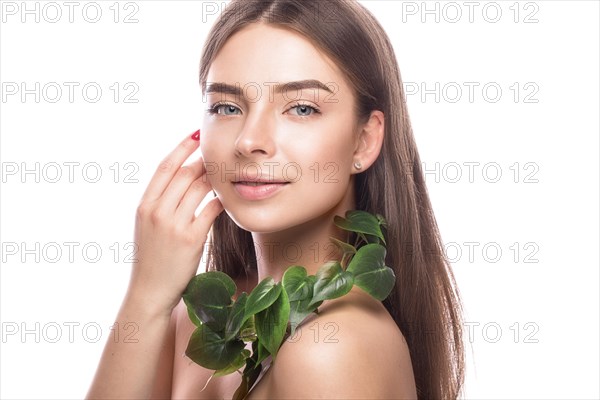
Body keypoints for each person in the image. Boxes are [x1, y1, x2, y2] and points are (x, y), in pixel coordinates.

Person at [86, 1, 465, 399]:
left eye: (301, 108)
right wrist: (146, 297)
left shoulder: (330, 348)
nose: (250, 140)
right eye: (227, 107)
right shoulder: (196, 320)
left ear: (364, 140)